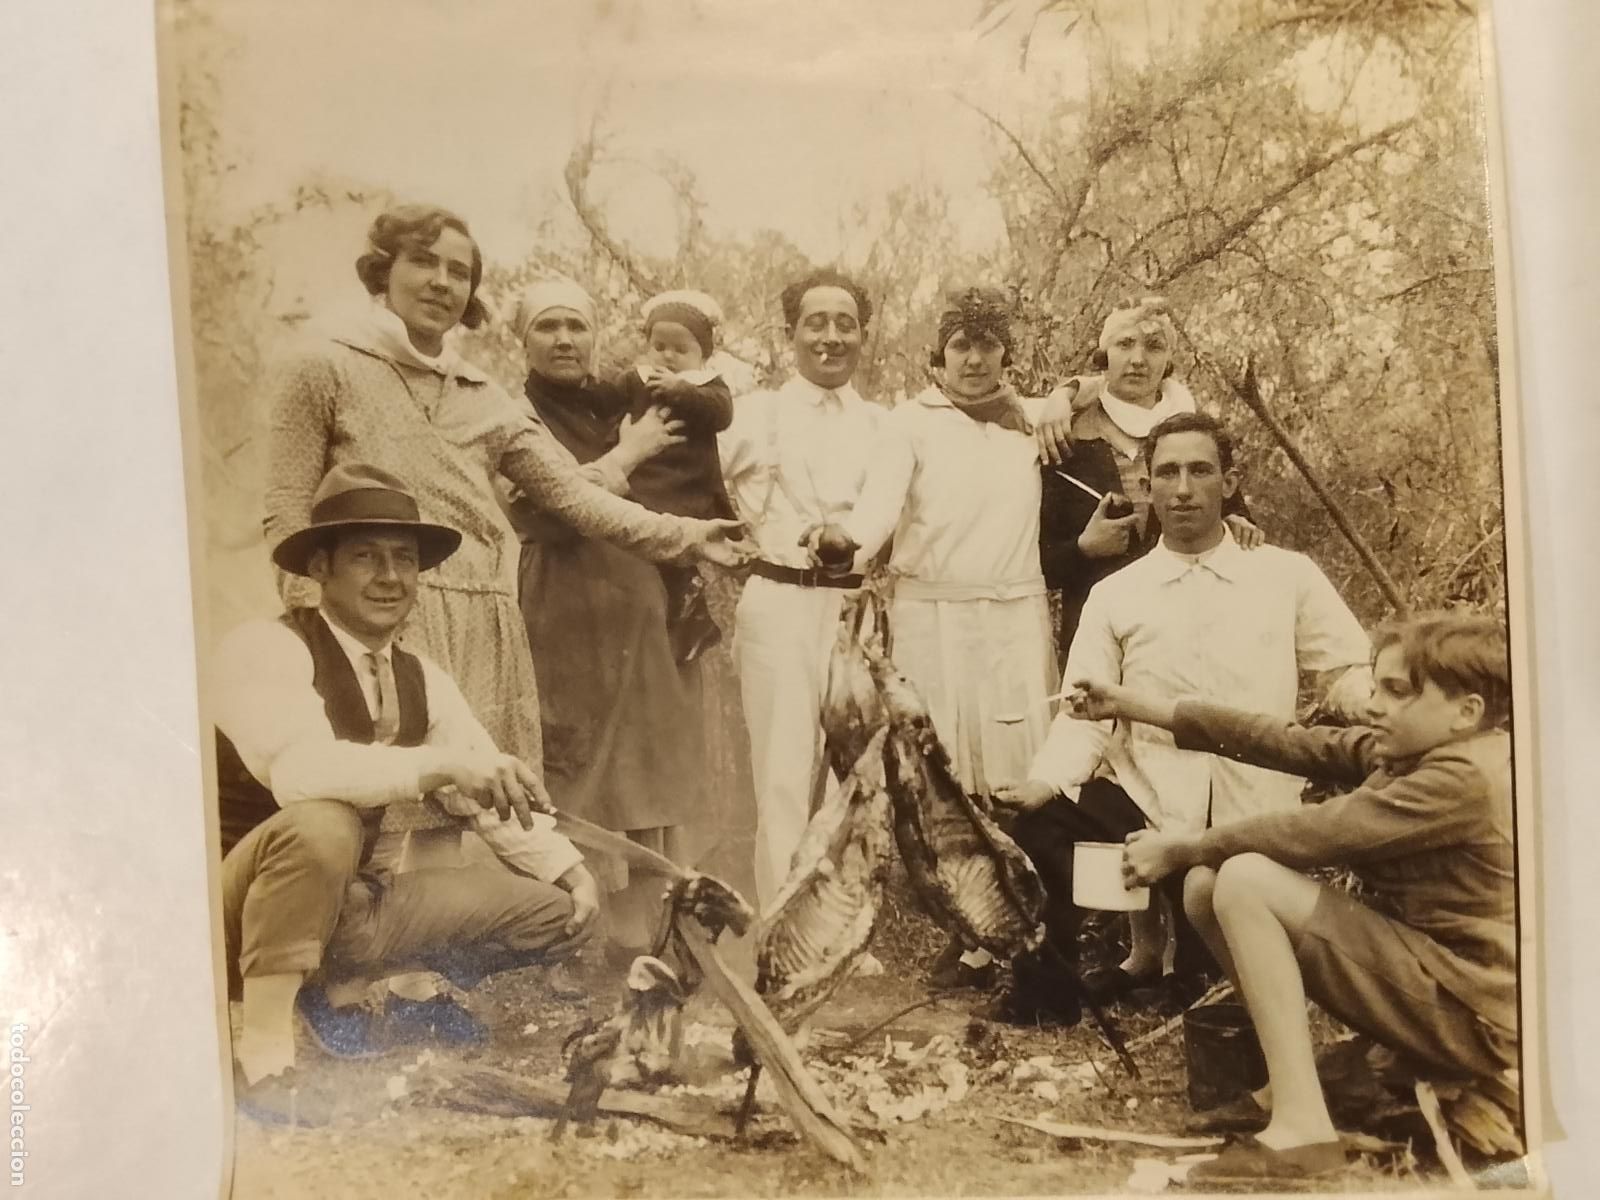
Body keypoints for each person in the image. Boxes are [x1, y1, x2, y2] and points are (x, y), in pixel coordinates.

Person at [263, 206, 747, 1026]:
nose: (444, 284)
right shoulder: (322, 365)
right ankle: (329, 979)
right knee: (362, 801)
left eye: (462, 272)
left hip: (482, 615)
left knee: (450, 810)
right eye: (427, 264)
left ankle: (414, 983)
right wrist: (310, 622)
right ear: (382, 270)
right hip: (374, 613)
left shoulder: (483, 395)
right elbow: (283, 506)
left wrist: (686, 533)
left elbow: (577, 497)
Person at [1068, 611, 1516, 1184]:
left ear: (1467, 711)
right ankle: (1287, 1088)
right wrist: (1131, 704)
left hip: (1473, 1012)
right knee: (1208, 885)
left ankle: (1304, 1130)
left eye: (1397, 692)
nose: (1374, 704)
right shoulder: (1419, 752)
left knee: (1246, 878)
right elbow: (1285, 740)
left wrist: (1185, 846)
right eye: (1376, 687)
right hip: (1439, 983)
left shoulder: (1464, 778)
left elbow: (1315, 833)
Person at [216, 463, 601, 1125]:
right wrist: (438, 767)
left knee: (555, 911)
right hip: (221, 915)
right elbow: (300, 773)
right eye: (365, 557)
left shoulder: (418, 675)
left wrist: (570, 870)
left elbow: (486, 780)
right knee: (323, 826)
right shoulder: (267, 647)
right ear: (320, 567)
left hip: (345, 908)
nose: (390, 577)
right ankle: (266, 1055)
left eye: (404, 560)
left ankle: (348, 991)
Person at [991, 412, 1372, 1026]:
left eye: (1200, 470)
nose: (1183, 488)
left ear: (1229, 481)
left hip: (1250, 808)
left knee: (1209, 978)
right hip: (1149, 797)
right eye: (1166, 472)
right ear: (1147, 485)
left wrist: (1374, 707)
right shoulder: (1117, 593)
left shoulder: (1285, 576)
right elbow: (1082, 711)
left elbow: (1346, 669)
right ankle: (1055, 992)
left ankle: (1181, 964)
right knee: (1042, 826)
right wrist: (1044, 782)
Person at [814, 287, 1056, 987]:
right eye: (961, 345)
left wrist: (1073, 392)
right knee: (945, 780)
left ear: (1007, 351)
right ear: (939, 355)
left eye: (987, 344)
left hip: (1014, 617)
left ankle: (1025, 926)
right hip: (933, 617)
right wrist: (844, 545)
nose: (975, 358)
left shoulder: (1033, 420)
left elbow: (1136, 406)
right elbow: (875, 513)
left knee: (1019, 769)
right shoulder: (908, 426)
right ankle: (967, 929)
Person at [508, 279, 721, 960]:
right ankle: (570, 932)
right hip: (564, 603)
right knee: (575, 760)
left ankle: (646, 930)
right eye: (548, 326)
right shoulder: (512, 413)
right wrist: (628, 455)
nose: (565, 339)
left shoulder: (624, 398)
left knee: (645, 762)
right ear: (524, 339)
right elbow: (535, 510)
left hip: (638, 597)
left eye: (577, 325)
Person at [718, 268, 887, 910]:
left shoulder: (879, 425)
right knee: (785, 773)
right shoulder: (753, 414)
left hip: (851, 608)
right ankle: (783, 924)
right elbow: (696, 476)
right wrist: (725, 537)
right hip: (779, 601)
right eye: (816, 322)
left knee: (849, 771)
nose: (831, 336)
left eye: (845, 323)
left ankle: (839, 920)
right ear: (790, 333)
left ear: (863, 335)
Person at [1033, 296, 1256, 647]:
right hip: (1097, 638)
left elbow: (1233, 512)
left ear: (1168, 360)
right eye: (1124, 344)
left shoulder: (1195, 433)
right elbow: (1038, 564)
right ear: (1104, 356)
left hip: (1189, 632)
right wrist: (1083, 549)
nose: (1138, 360)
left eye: (1154, 347)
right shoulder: (1066, 438)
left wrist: (1238, 526)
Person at [621, 289, 739, 664]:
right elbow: (604, 399)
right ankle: (680, 626)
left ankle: (693, 621)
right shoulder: (637, 380)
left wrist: (682, 390)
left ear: (701, 355)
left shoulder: (708, 386)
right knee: (646, 560)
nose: (668, 357)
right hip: (647, 487)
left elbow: (721, 414)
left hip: (688, 487)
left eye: (680, 349)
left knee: (679, 558)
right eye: (660, 347)